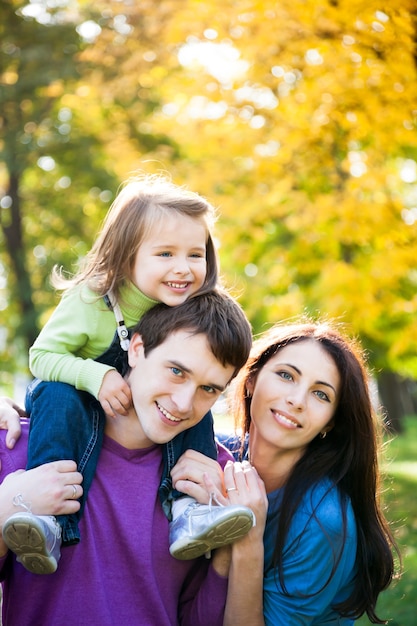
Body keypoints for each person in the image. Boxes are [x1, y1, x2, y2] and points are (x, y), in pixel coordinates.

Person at [3, 174, 254, 574]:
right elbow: (42, 356)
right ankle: (49, 519)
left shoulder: (182, 308)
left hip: (141, 407)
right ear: (126, 257)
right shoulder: (92, 300)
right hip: (73, 397)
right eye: (166, 254)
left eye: (195, 254)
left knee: (192, 406)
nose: (183, 269)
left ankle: (190, 508)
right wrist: (95, 376)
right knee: (57, 394)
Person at [0, 289, 257, 625]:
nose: (183, 403)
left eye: (208, 389)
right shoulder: (20, 448)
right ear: (137, 349)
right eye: (177, 371)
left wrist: (229, 551)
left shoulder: (208, 481)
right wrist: (5, 507)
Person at [216, 321, 400, 625]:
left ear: (330, 423)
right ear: (251, 380)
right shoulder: (215, 454)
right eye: (286, 375)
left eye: (321, 395)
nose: (297, 401)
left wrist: (248, 540)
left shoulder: (322, 524)